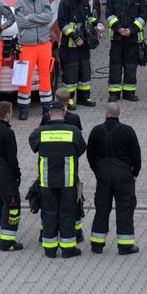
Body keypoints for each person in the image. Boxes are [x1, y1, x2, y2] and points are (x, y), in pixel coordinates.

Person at [30, 98, 88, 258]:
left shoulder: (39, 132)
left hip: (47, 181)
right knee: (67, 212)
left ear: (49, 114)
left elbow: (32, 145)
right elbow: (82, 149)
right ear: (64, 113)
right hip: (68, 181)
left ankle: (49, 249)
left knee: (49, 212)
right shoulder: (73, 131)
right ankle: (68, 249)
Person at [87, 102, 143, 255]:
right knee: (124, 208)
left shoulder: (96, 131)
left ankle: (97, 245)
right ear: (120, 113)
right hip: (124, 175)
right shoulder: (128, 131)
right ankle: (125, 246)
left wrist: (97, 170)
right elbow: (136, 155)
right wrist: (135, 172)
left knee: (102, 208)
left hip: (103, 174)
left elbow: (90, 154)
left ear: (105, 113)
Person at [14, 0, 55, 121]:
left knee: (45, 76)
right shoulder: (19, 2)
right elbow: (20, 22)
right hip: (27, 46)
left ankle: (47, 108)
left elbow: (49, 18)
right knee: (24, 78)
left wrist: (30, 17)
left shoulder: (44, 0)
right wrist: (39, 19)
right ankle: (23, 109)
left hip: (44, 44)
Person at [56, 0, 100, 109]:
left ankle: (84, 97)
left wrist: (97, 24)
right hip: (70, 46)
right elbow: (62, 23)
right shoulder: (66, 1)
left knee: (84, 71)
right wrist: (75, 37)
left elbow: (89, 17)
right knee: (70, 72)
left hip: (84, 43)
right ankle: (68, 99)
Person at [0, 100, 24, 251]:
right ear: (7, 114)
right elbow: (12, 157)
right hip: (5, 171)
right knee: (12, 204)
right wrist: (17, 174)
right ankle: (7, 241)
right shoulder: (8, 132)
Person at [104, 0, 147, 102]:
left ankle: (129, 92)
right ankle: (114, 93)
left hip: (133, 39)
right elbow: (109, 15)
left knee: (130, 65)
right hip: (117, 38)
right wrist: (118, 28)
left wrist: (131, 30)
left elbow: (143, 16)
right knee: (115, 65)